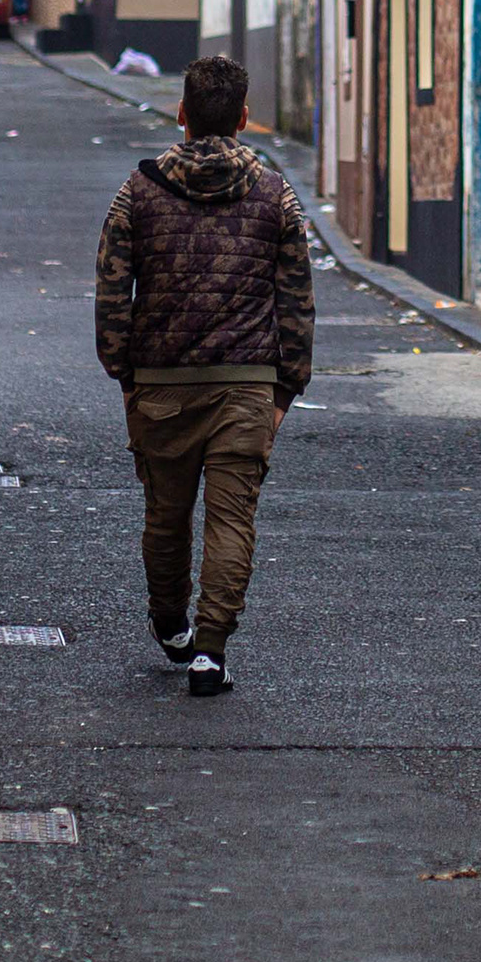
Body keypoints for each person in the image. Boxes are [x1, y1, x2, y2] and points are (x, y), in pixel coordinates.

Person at [92, 55, 310, 696]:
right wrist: (285, 387)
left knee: (166, 514)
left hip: (160, 382)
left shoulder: (137, 190)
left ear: (181, 113)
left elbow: (111, 291)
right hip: (247, 384)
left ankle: (170, 622)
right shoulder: (277, 194)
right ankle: (211, 651)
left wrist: (124, 374)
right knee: (231, 517)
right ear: (245, 118)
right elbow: (296, 298)